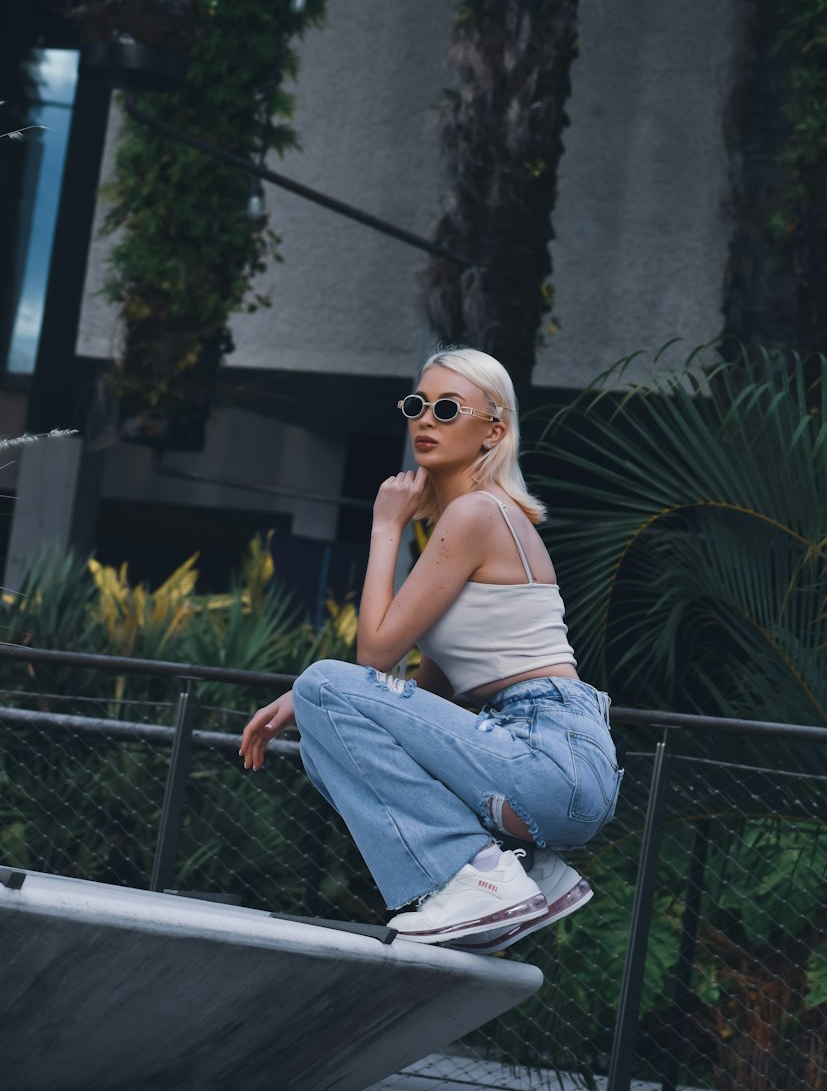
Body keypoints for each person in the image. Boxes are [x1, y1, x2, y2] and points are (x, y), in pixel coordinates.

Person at [239, 346, 622, 949]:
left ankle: (480, 877)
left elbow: (372, 657)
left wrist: (385, 527)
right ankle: (527, 876)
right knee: (323, 738)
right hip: (548, 763)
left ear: (493, 429)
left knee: (321, 680)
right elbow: (419, 699)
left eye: (446, 408)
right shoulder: (464, 523)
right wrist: (312, 705)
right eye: (417, 405)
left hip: (549, 755)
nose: (424, 421)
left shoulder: (475, 513)